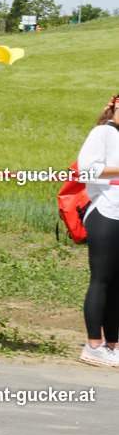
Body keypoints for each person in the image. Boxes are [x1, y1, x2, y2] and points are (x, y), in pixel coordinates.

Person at [77, 93, 119, 367]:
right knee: (101, 280)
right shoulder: (102, 133)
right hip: (105, 211)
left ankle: (113, 345)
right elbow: (86, 171)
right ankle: (93, 345)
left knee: (116, 285)